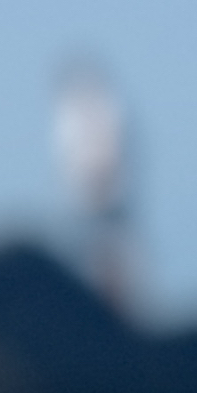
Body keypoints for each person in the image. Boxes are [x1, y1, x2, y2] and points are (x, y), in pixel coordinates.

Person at [51, 57, 138, 313]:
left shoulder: (107, 110)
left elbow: (111, 157)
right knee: (85, 258)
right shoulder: (70, 115)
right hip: (84, 204)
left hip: (107, 203)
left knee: (113, 256)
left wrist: (103, 186)